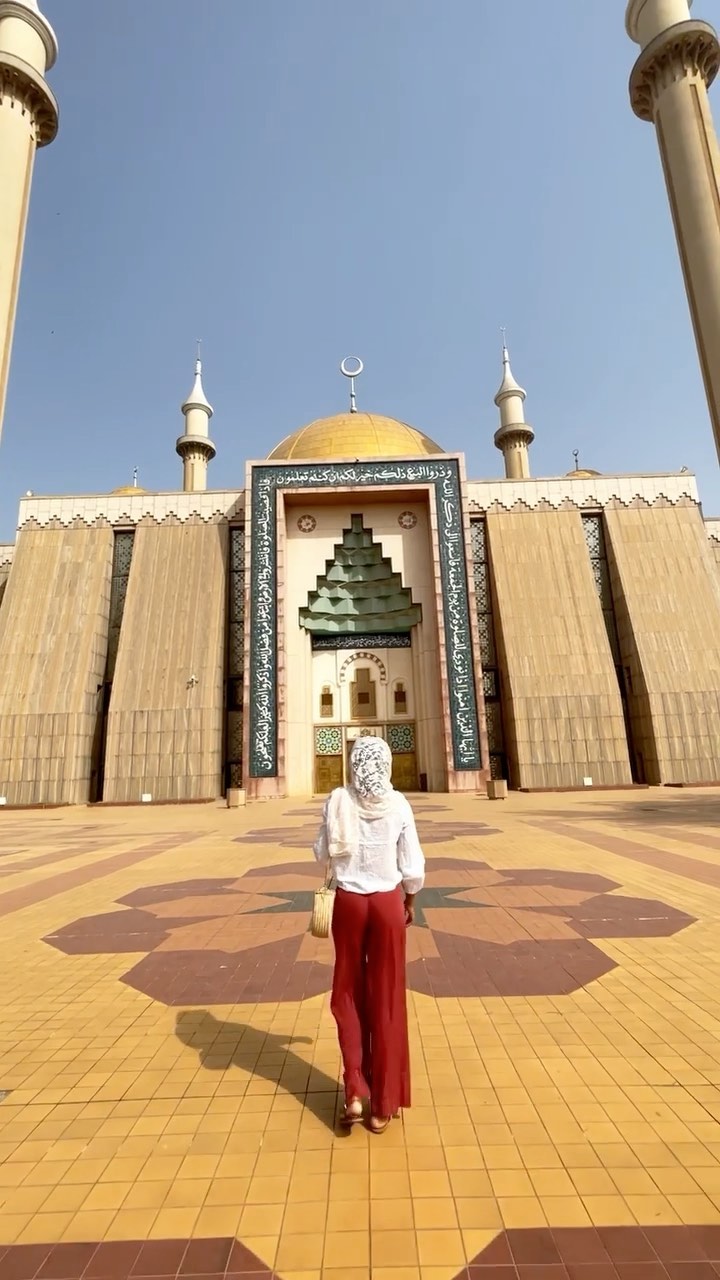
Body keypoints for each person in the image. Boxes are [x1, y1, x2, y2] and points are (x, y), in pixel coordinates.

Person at [313, 734, 425, 1133]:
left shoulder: (338, 800)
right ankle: (383, 1104)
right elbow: (412, 866)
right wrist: (410, 900)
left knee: (347, 991)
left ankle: (356, 1092)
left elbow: (321, 852)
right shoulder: (398, 804)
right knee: (387, 996)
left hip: (349, 903)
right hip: (387, 904)